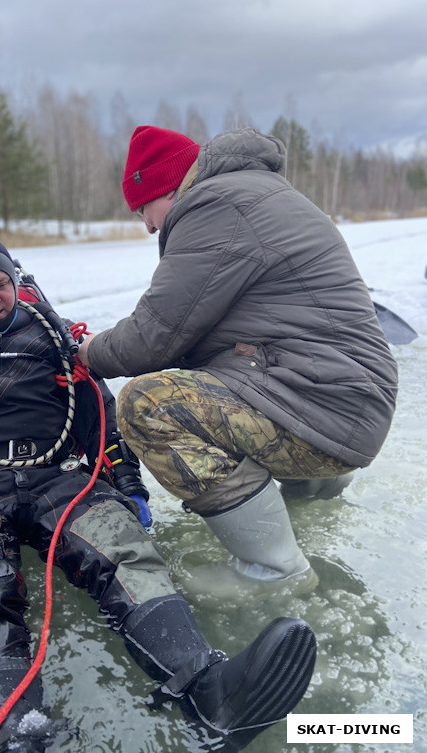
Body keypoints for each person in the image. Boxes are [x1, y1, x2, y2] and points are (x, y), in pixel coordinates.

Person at [0, 232, 317, 753]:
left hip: (57, 478)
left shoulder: (55, 336)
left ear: (15, 280)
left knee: (126, 555)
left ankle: (209, 691)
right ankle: (15, 737)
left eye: (1, 283)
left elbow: (100, 417)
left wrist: (128, 485)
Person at [78, 125, 398, 596]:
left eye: (143, 208)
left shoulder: (215, 206)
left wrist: (84, 352)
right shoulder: (254, 194)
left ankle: (273, 570)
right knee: (209, 379)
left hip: (327, 407)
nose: (147, 225)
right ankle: (312, 493)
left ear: (168, 186)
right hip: (345, 397)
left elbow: (152, 337)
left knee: (148, 405)